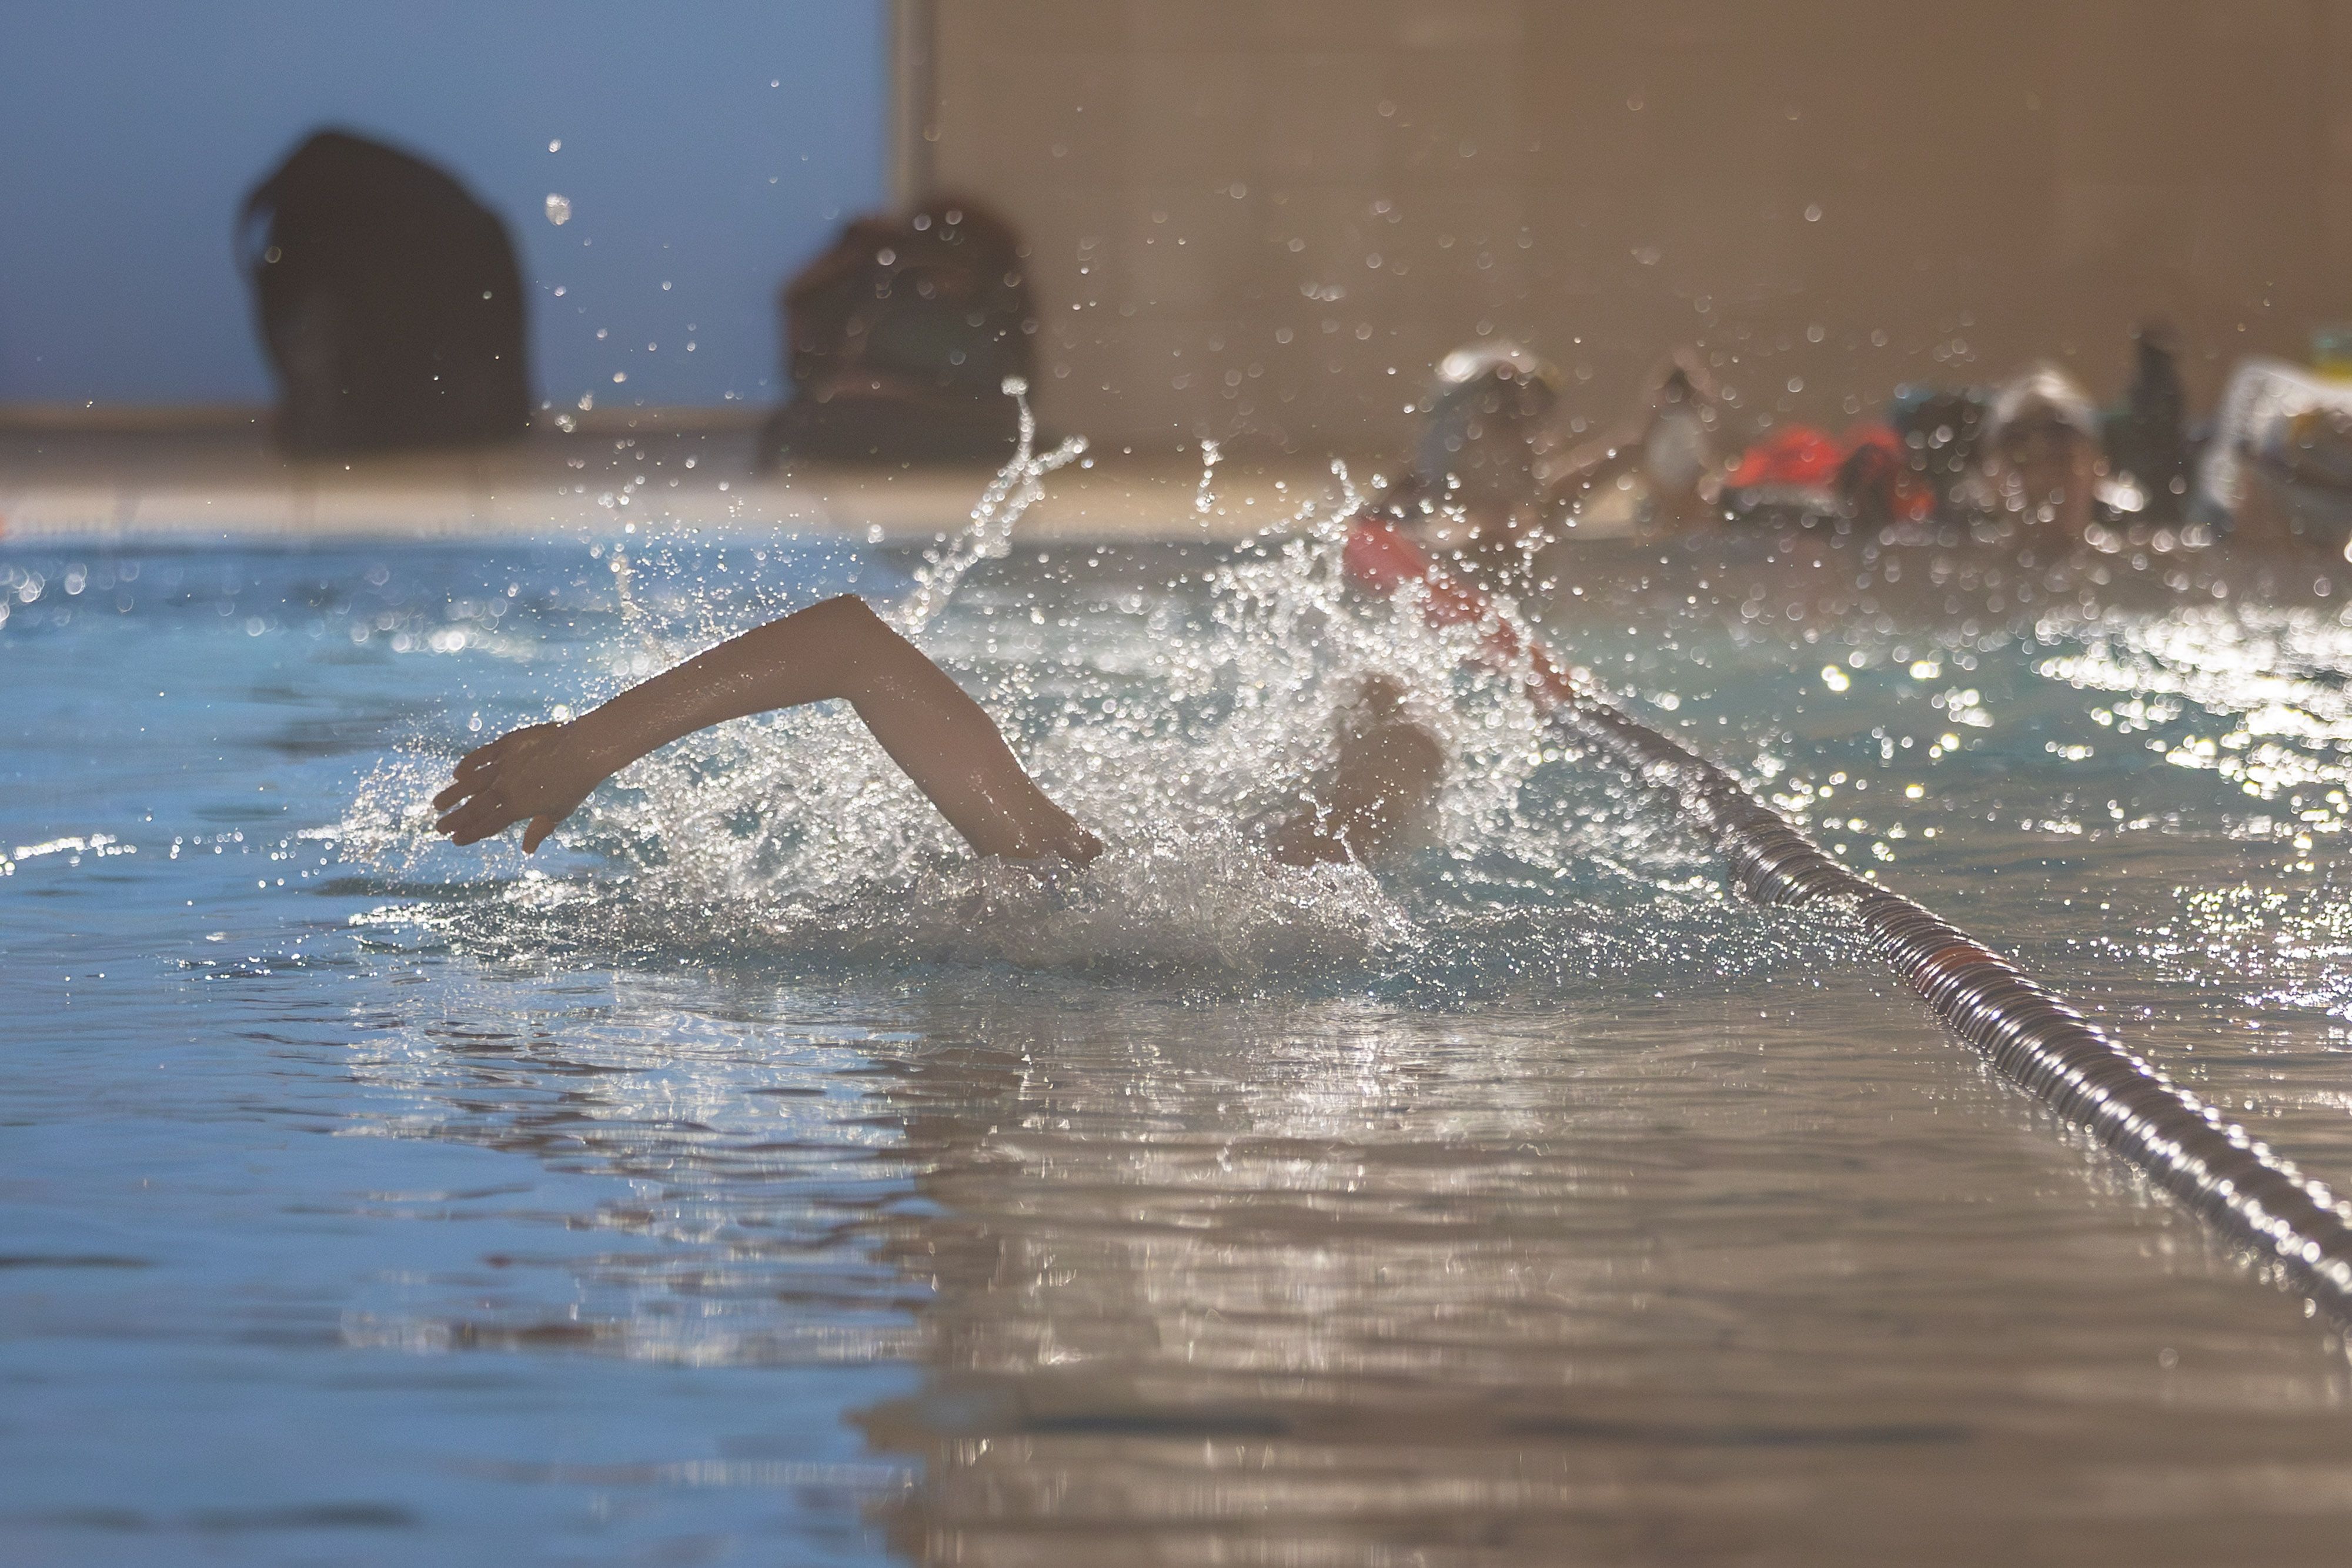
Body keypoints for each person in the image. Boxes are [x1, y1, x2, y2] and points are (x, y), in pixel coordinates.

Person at [433, 595, 1444, 871]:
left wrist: (590, 750)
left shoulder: (1061, 874)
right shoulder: (1084, 879)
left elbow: (849, 646)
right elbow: (851, 645)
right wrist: (587, 748)